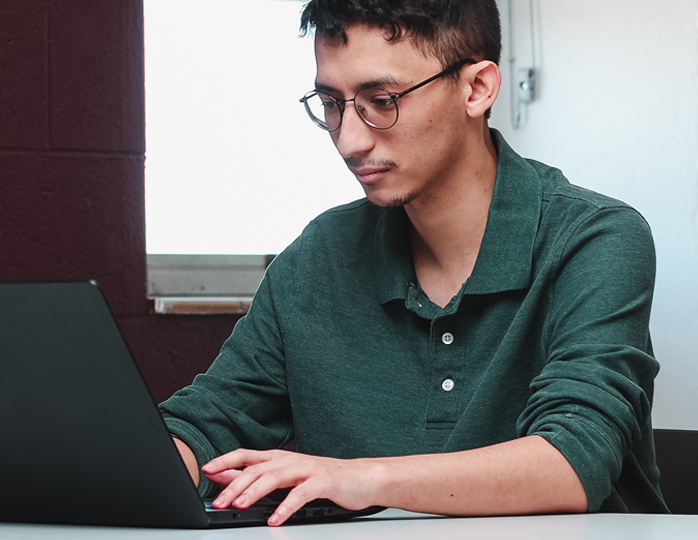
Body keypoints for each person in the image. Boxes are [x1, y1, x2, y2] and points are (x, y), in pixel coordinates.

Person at [158, 0, 666, 525]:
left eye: (381, 100)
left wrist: (359, 477)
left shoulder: (596, 237)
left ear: (477, 89)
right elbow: (205, 424)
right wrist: (139, 463)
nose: (349, 140)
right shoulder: (320, 253)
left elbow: (574, 462)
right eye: (332, 103)